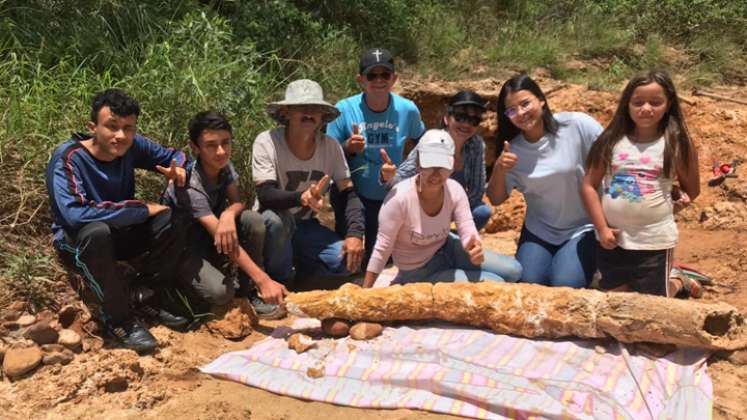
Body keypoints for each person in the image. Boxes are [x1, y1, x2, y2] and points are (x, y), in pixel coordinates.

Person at [46, 89, 188, 353]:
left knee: (174, 218)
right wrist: (141, 209)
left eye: (128, 128)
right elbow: (74, 214)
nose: (120, 135)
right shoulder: (68, 158)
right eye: (111, 126)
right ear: (93, 127)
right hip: (75, 240)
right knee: (96, 232)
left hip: (120, 231)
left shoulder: (131, 146)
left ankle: (146, 294)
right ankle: (120, 320)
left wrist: (178, 168)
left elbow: (176, 155)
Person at [580, 70, 699, 297]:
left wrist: (675, 202)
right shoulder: (611, 140)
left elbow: (692, 189)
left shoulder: (676, 143)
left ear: (669, 103)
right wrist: (602, 228)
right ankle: (673, 279)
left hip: (654, 240)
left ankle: (676, 281)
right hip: (612, 239)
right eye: (638, 102)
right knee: (617, 300)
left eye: (655, 102)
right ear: (627, 104)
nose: (646, 108)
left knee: (650, 305)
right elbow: (588, 186)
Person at [162, 111, 288, 319]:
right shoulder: (190, 185)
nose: (221, 151)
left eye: (225, 143)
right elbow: (227, 243)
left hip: (210, 239)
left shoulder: (224, 166)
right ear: (195, 148)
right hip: (183, 249)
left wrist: (229, 214)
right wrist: (264, 279)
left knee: (252, 220)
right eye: (211, 145)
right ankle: (178, 290)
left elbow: (238, 202)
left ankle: (248, 292)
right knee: (221, 293)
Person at [363, 129, 522, 288]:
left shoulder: (454, 189)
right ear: (418, 163)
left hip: (448, 248)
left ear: (452, 166)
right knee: (497, 283)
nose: (436, 173)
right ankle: (406, 283)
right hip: (419, 270)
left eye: (442, 164)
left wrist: (474, 246)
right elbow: (382, 248)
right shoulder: (399, 198)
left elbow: (467, 227)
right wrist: (365, 290)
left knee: (513, 271)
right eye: (430, 163)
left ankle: (455, 272)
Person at [486, 74, 603, 288]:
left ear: (541, 100)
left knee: (564, 283)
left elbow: (613, 156)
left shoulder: (576, 125)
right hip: (539, 229)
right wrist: (499, 169)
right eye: (512, 110)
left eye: (525, 103)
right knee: (529, 283)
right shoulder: (513, 149)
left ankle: (596, 269)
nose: (520, 113)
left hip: (583, 226)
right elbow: (496, 198)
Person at [252, 79, 365, 287]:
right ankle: (280, 281)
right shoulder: (267, 141)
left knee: (347, 262)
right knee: (275, 221)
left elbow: (349, 194)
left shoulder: (330, 147)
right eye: (301, 108)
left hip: (305, 226)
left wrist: (355, 234)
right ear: (286, 112)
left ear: (323, 116)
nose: (309, 113)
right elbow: (265, 194)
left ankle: (301, 275)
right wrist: (301, 197)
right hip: (272, 224)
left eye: (315, 109)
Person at [326, 47, 426, 260]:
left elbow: (423, 143)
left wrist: (408, 175)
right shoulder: (343, 109)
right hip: (352, 197)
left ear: (394, 78)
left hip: (390, 197)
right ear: (361, 79)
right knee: (346, 261)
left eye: (385, 74)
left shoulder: (408, 110)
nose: (379, 80)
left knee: (381, 261)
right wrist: (347, 148)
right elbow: (327, 155)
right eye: (372, 75)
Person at [386, 90, 492, 230]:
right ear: (447, 119)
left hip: (452, 208)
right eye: (460, 117)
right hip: (421, 207)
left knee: (481, 212)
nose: (466, 125)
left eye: (473, 121)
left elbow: (477, 190)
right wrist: (388, 177)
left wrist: (452, 210)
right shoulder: (432, 141)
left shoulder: (476, 145)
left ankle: (453, 243)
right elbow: (402, 179)